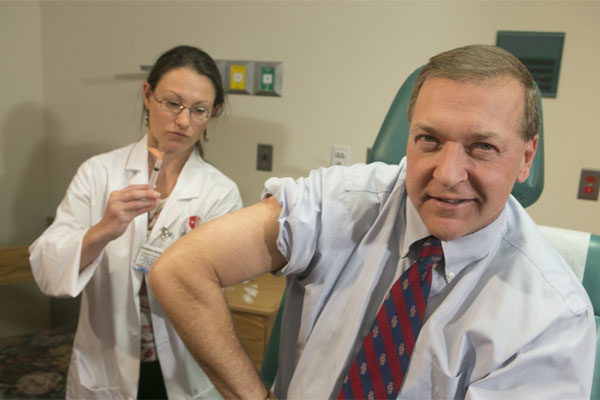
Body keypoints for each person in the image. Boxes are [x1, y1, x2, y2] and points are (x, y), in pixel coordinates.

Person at [148, 44, 596, 399]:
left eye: (482, 147)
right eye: (429, 140)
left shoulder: (553, 319)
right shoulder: (343, 201)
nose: (447, 174)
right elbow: (181, 269)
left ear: (526, 157)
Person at [29, 45, 242, 399]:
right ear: (147, 95)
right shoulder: (99, 173)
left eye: (198, 110)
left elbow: (222, 280)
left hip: (183, 366)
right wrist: (101, 231)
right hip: (107, 363)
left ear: (213, 112)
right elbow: (47, 267)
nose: (183, 121)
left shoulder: (219, 193)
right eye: (172, 103)